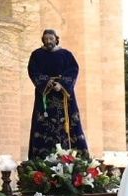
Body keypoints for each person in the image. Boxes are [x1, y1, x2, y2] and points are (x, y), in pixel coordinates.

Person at [26, 28, 89, 158]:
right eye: (46, 39)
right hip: (44, 95)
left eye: (51, 39)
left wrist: (62, 84)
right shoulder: (36, 55)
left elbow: (73, 69)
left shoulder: (66, 54)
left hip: (63, 96)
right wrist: (46, 82)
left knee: (69, 124)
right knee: (43, 123)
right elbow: (33, 71)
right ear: (43, 40)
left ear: (56, 39)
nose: (49, 41)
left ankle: (73, 157)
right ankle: (41, 157)